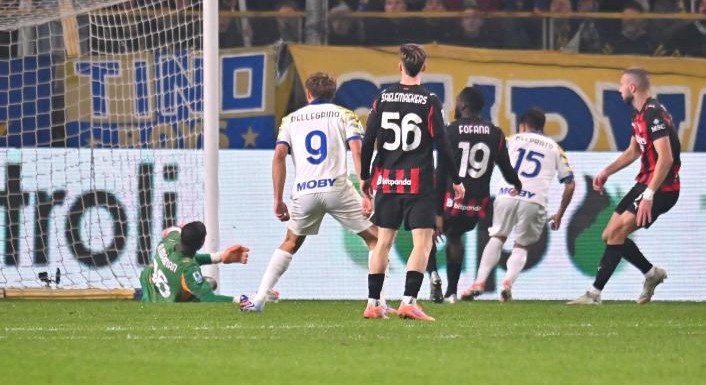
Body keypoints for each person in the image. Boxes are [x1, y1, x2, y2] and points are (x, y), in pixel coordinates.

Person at [241, 73, 381, 313]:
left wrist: (278, 199)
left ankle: (260, 298)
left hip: (305, 191)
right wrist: (365, 191)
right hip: (337, 189)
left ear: (308, 94)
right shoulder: (345, 115)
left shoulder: (290, 120)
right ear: (333, 94)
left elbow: (279, 156)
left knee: (290, 242)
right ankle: (376, 303)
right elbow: (357, 151)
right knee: (376, 240)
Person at [360, 44, 465, 321]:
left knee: (383, 241)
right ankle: (408, 302)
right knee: (423, 243)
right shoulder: (430, 100)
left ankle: (373, 304)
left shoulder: (382, 98)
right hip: (419, 183)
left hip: (387, 180)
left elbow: (368, 140)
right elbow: (443, 144)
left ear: (400, 66)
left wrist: (365, 176)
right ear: (424, 67)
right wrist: (456, 180)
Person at [569, 68, 680, 305]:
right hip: (645, 183)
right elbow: (633, 151)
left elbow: (666, 158)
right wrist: (606, 172)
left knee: (617, 233)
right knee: (608, 234)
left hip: (663, 188)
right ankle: (651, 273)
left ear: (632, 87)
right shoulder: (639, 115)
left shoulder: (654, 114)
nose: (619, 90)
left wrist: (649, 195)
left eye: (621, 85)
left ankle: (594, 293)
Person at [461, 108, 575, 302]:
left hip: (507, 194)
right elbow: (570, 184)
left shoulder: (510, 140)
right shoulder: (555, 148)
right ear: (542, 127)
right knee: (521, 245)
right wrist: (560, 214)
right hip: (535, 199)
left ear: (522, 126)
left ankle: (479, 282)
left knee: (497, 237)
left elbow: (485, 162)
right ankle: (507, 283)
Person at [425, 87, 522, 304]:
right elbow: (506, 168)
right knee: (455, 237)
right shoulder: (496, 133)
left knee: (423, 232)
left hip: (449, 199)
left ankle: (433, 274)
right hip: (475, 204)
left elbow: (441, 173)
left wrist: (437, 212)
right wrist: (517, 183)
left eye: (457, 102)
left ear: (463, 105)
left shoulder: (450, 131)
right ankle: (451, 293)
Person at [139, 222, 249, 303]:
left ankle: (139, 294)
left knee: (203, 283)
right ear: (201, 243)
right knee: (208, 285)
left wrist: (220, 256)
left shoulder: (169, 241)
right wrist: (241, 301)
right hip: (162, 304)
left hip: (149, 285)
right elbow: (209, 299)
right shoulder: (189, 268)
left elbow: (170, 230)